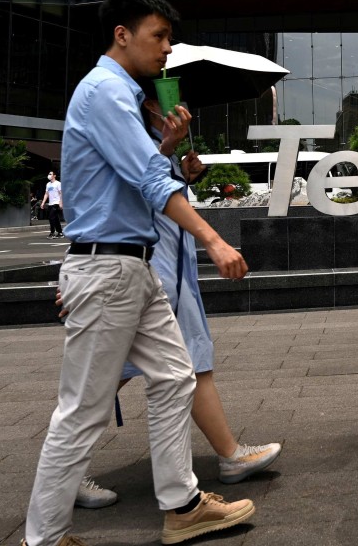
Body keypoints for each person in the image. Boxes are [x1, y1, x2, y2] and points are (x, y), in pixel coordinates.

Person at [23, 0, 254, 546]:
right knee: (82, 412)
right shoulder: (105, 90)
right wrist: (214, 240)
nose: (167, 49)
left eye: (169, 38)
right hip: (107, 270)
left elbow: (135, 170)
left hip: (131, 267)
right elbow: (151, 182)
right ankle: (45, 538)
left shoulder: (121, 94)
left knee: (175, 376)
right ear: (122, 35)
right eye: (159, 36)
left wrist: (165, 144)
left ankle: (182, 504)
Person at [66, 91, 282, 511]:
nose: (177, 103)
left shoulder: (139, 128)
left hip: (158, 270)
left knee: (180, 367)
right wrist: (214, 239)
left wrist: (182, 171)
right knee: (121, 376)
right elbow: (129, 192)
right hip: (145, 270)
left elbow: (152, 189)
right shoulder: (112, 110)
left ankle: (197, 486)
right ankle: (190, 488)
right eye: (158, 39)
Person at [41, 171, 64, 238]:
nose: (49, 175)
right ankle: (60, 232)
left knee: (51, 217)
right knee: (55, 218)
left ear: (54, 176)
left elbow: (61, 193)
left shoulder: (58, 183)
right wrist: (43, 203)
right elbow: (46, 194)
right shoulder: (48, 184)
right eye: (49, 174)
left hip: (56, 203)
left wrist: (60, 202)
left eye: (50, 174)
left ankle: (52, 232)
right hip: (50, 203)